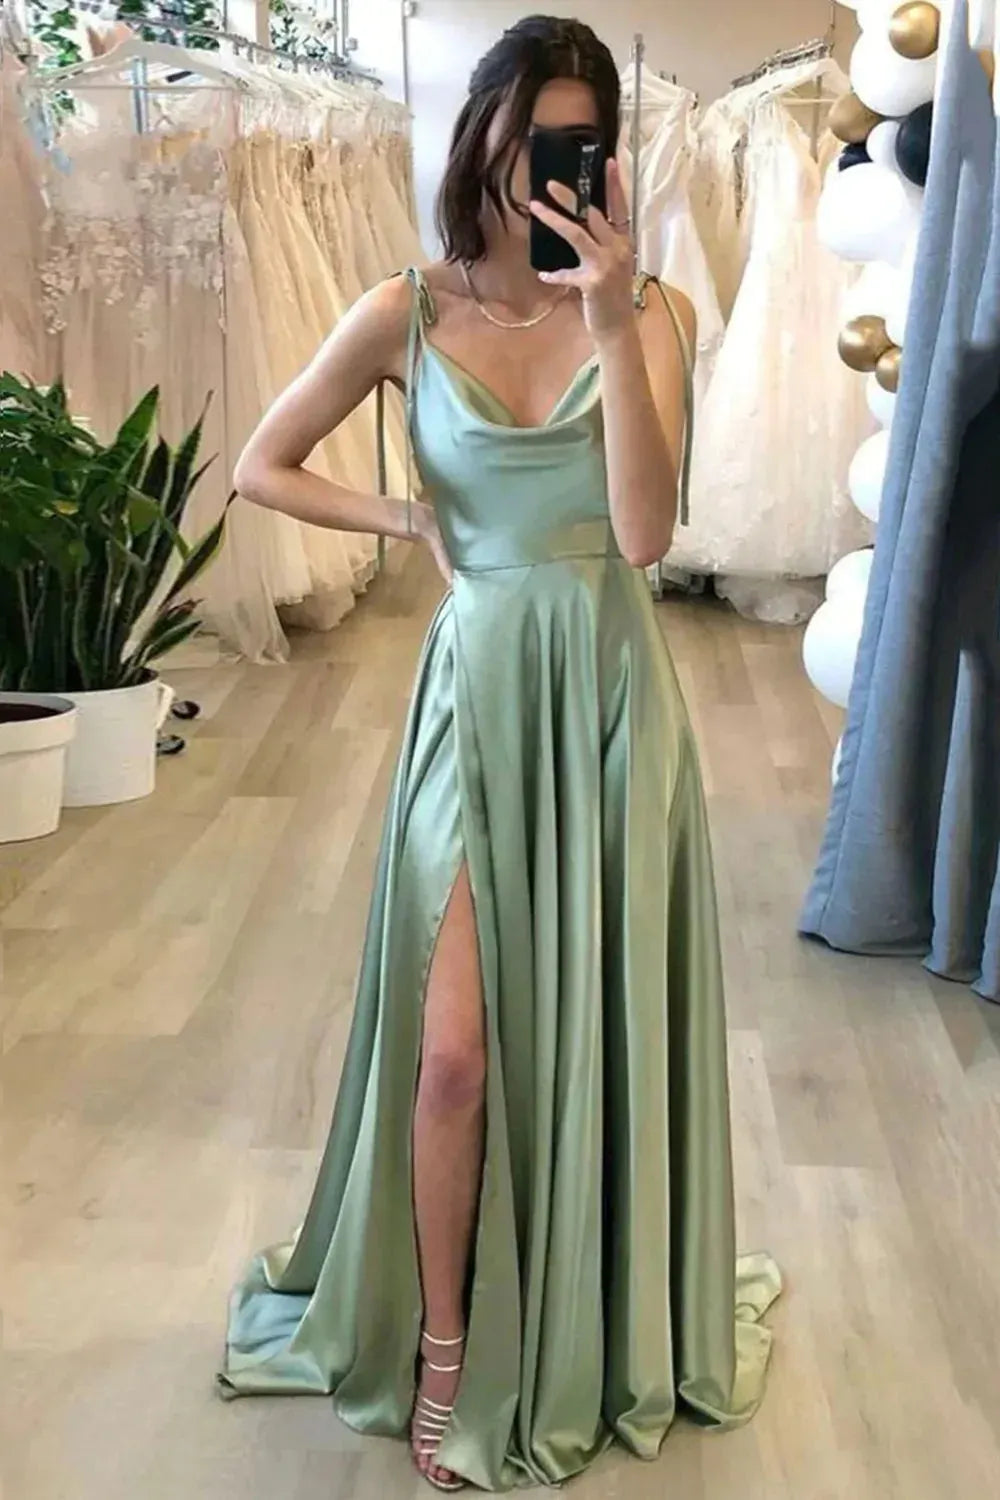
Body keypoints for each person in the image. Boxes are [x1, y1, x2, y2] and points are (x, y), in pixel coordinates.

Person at [219, 14, 780, 1494]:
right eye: (534, 135)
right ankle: (447, 1342)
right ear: (482, 133)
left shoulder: (650, 310)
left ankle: (585, 1312)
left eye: (579, 143)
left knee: (594, 1022)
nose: (550, 168)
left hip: (610, 697)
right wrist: (408, 519)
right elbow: (261, 463)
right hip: (474, 697)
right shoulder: (402, 309)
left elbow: (646, 536)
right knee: (456, 1057)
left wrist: (609, 320)